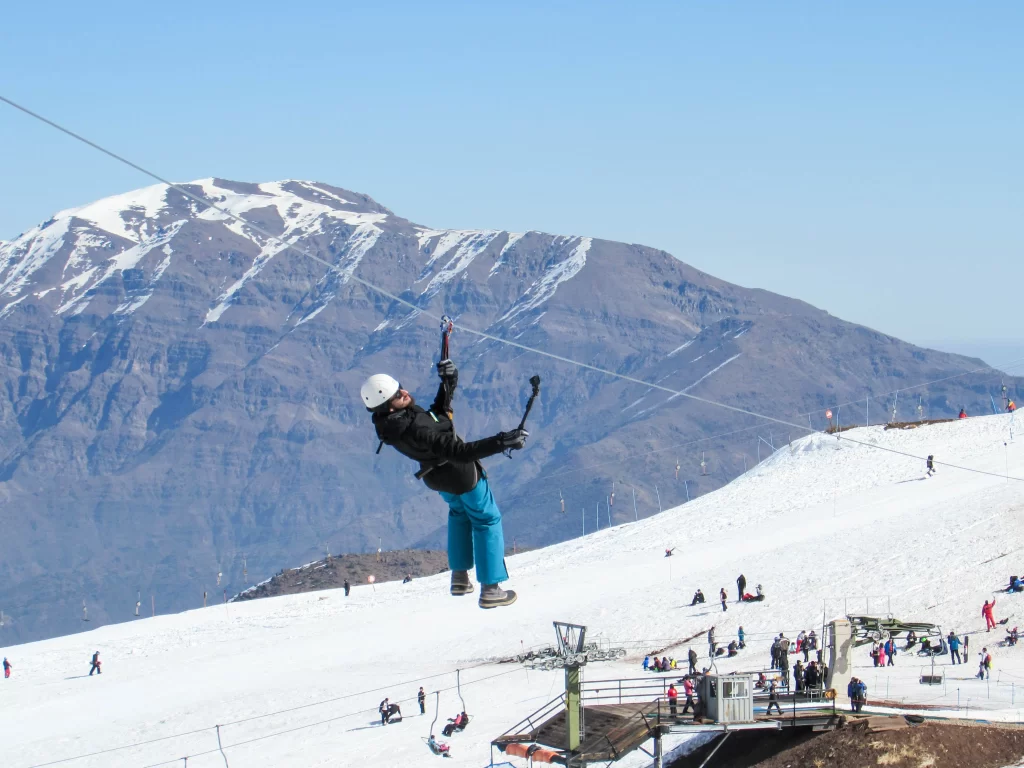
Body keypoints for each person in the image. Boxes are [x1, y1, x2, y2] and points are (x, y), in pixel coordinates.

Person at [362, 362, 528, 609]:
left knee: (459, 515)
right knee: (486, 520)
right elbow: (459, 451)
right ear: (388, 405)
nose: (404, 393)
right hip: (461, 475)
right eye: (398, 395)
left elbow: (436, 416)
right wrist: (503, 441)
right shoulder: (414, 428)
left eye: (401, 388)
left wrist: (448, 382)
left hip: (437, 479)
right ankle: (491, 589)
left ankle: (459, 578)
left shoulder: (390, 424)